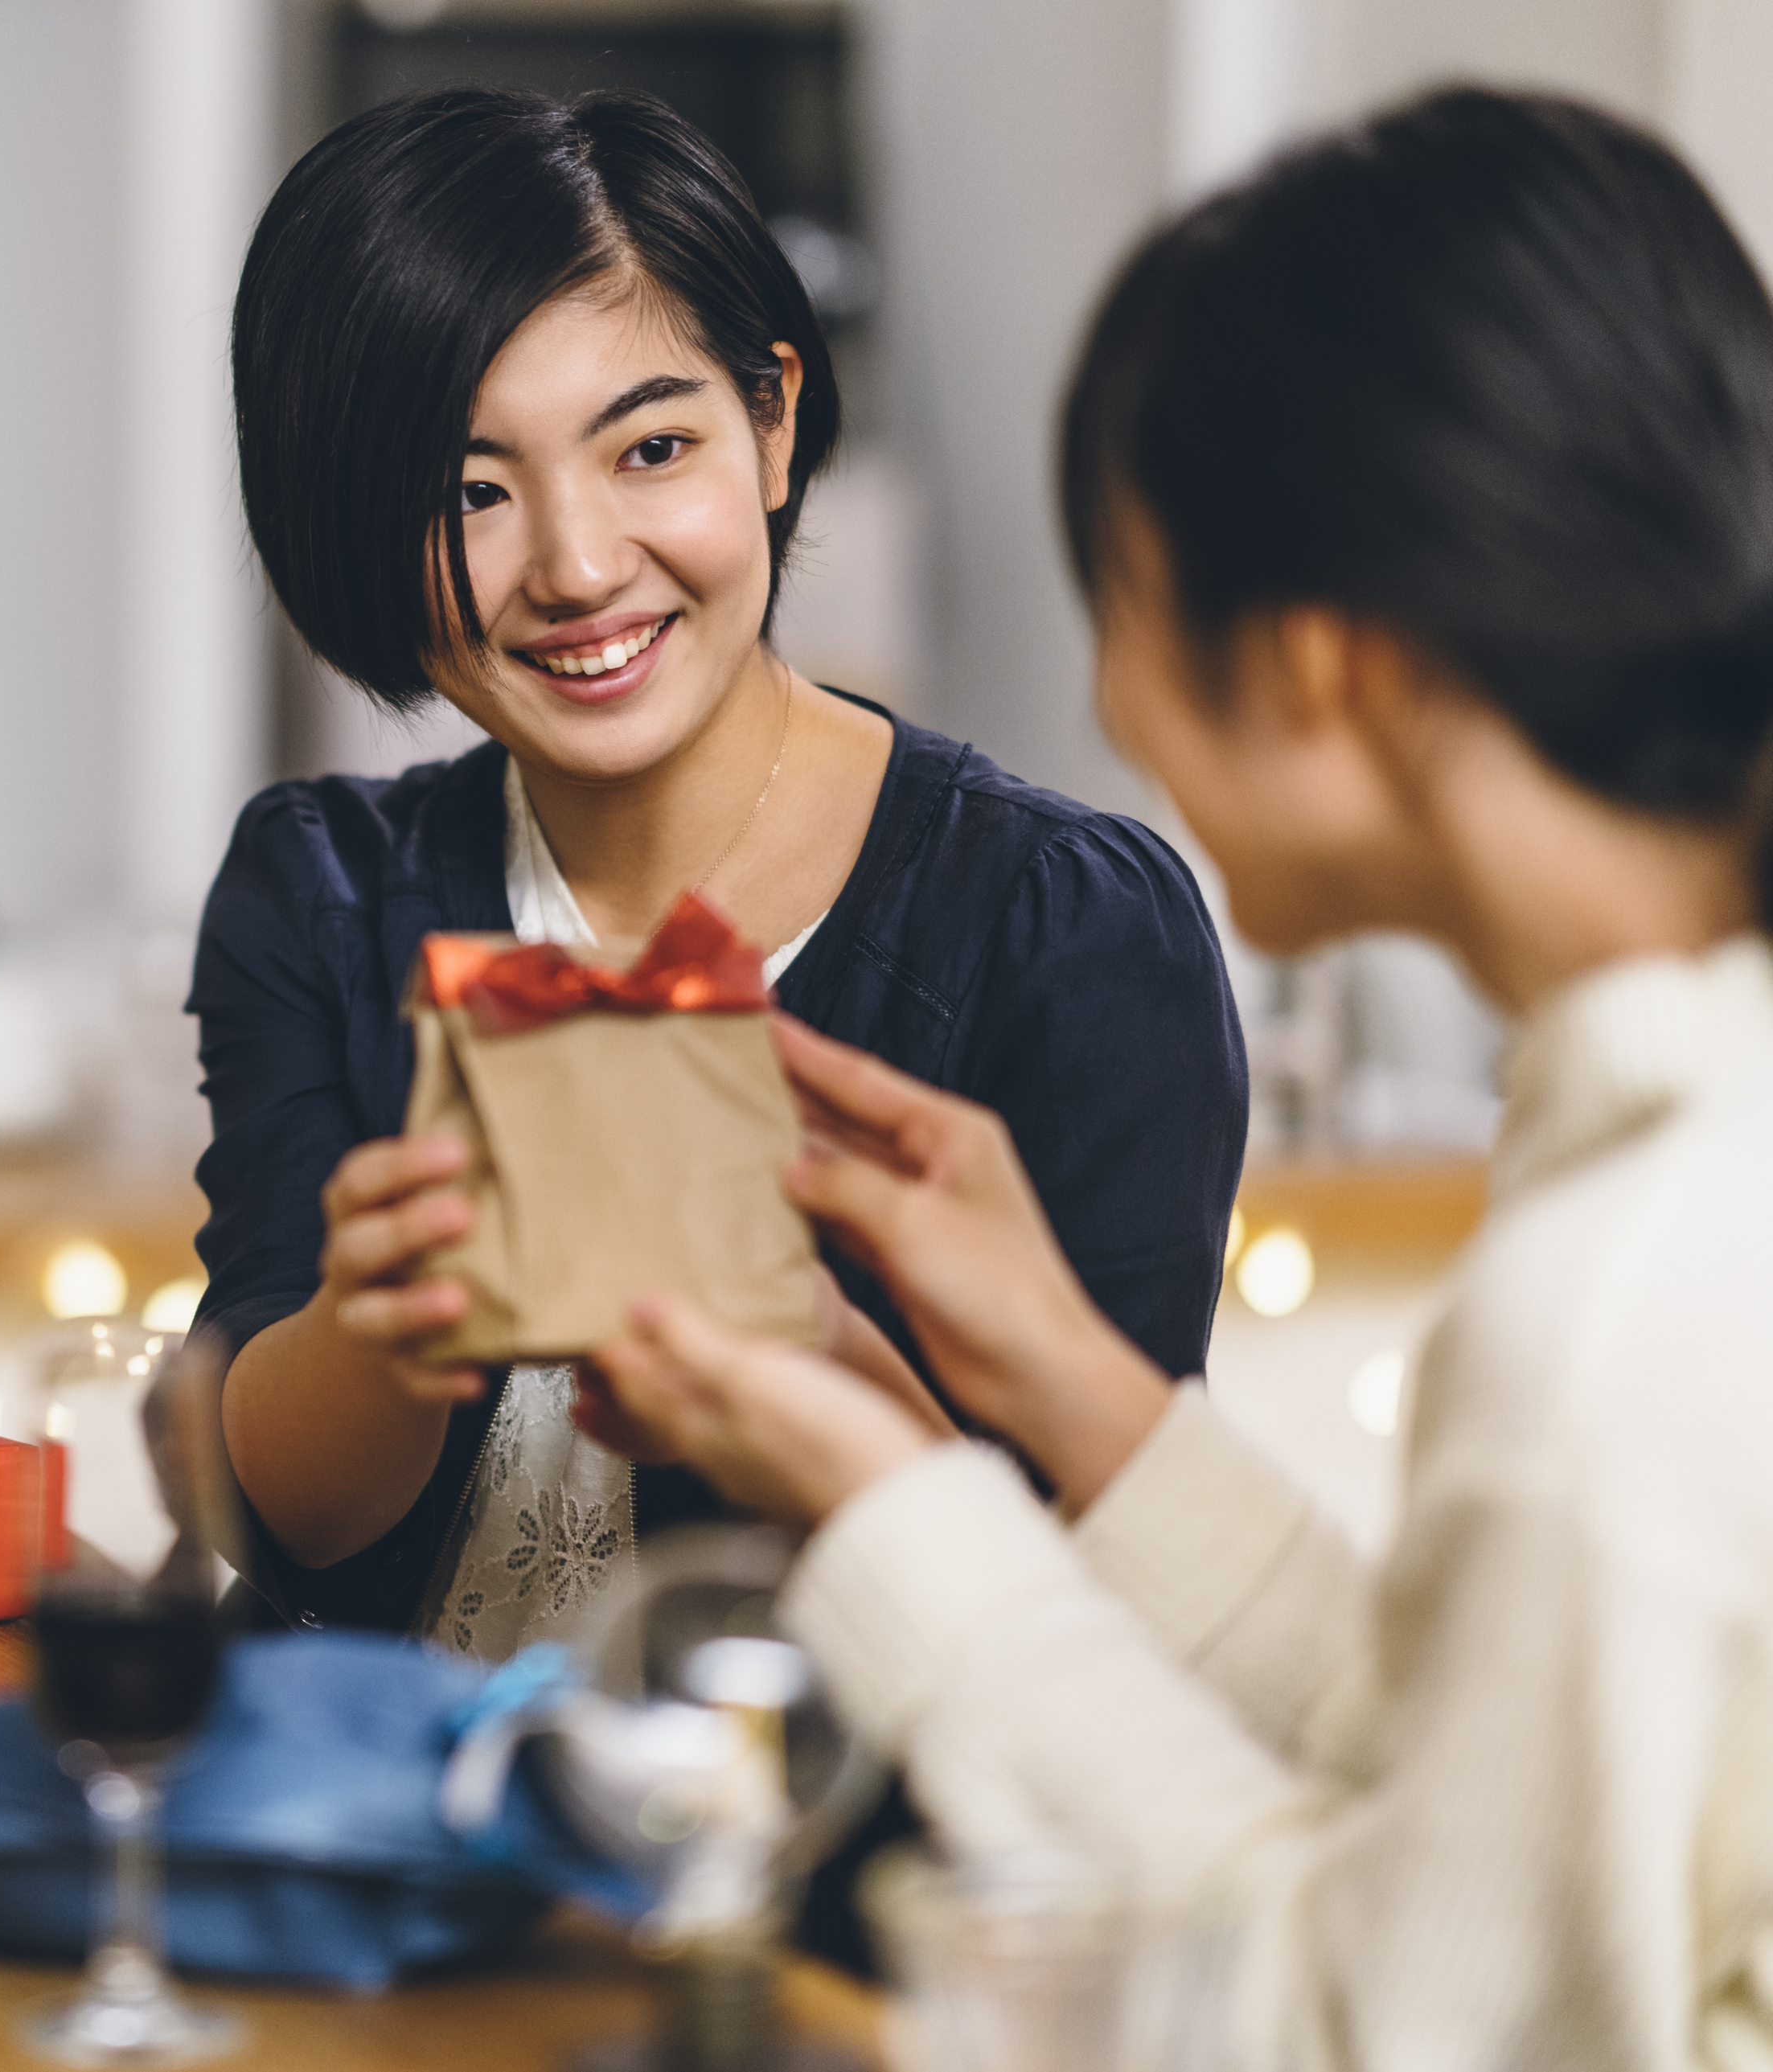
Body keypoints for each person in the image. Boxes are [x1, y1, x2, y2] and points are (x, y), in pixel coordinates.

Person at [577, 88, 1773, 2066]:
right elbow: (1496, 1813)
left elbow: (1357, 2026)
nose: (1114, 705)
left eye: (1119, 598)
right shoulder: (1680, 1161)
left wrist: (892, 1499)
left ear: (1317, 663)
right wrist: (1069, 1378)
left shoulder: (1623, 1304)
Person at [191, 85, 1246, 1664]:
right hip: (376, 1851)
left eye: (652, 447)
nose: (578, 564)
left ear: (773, 422)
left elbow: (1097, 1620)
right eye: (468, 489)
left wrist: (803, 1347)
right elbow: (282, 1521)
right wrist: (377, 1319)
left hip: (830, 1870)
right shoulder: (326, 890)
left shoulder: (1065, 928)